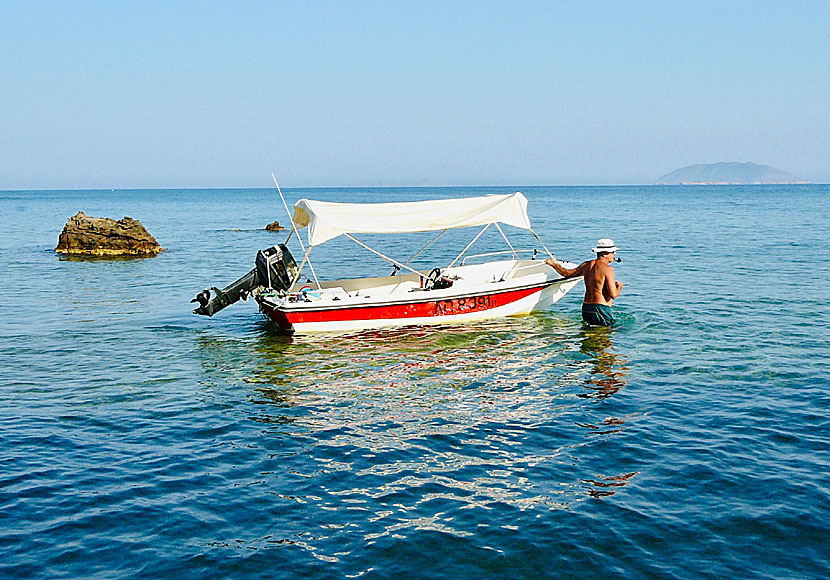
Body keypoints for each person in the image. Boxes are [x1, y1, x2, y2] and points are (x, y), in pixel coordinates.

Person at [545, 238, 623, 326]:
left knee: (588, 335)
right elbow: (613, 295)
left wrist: (553, 264)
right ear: (604, 253)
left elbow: (566, 273)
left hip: (586, 308)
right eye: (612, 252)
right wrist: (619, 287)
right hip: (601, 308)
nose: (614, 254)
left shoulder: (586, 265)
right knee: (605, 335)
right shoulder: (608, 269)